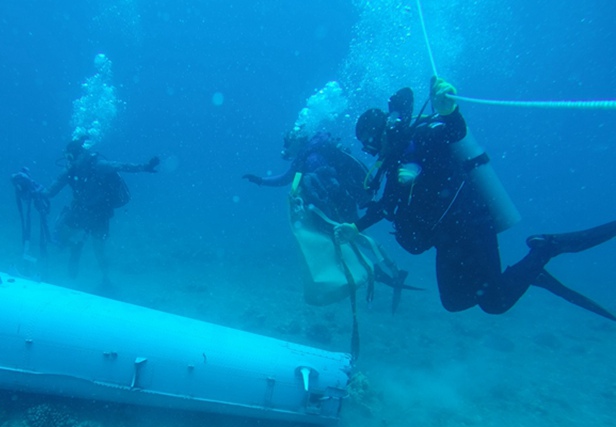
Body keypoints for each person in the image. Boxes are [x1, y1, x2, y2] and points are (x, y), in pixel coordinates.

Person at [342, 77, 616, 320]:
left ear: (376, 135)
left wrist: (450, 112)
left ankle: (544, 249)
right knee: (454, 302)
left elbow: (453, 131)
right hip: (445, 238)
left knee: (494, 303)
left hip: (471, 223)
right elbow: (388, 204)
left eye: (369, 145)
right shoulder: (395, 162)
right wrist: (356, 227)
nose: (371, 152)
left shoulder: (421, 136)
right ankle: (525, 274)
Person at [243, 130, 414, 311]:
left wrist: (325, 206)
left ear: (296, 140)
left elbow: (321, 180)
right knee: (356, 235)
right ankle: (387, 269)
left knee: (354, 236)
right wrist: (260, 180)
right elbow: (288, 178)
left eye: (287, 142)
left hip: (334, 205)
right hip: (338, 202)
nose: (285, 147)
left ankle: (377, 269)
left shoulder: (311, 155)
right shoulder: (309, 154)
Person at [42, 138, 159, 285]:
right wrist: (36, 192)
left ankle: (105, 278)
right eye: (67, 157)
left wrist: (144, 166)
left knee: (99, 250)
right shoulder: (70, 170)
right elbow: (53, 189)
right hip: (83, 211)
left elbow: (121, 166)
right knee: (60, 241)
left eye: (71, 156)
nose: (69, 161)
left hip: (99, 214)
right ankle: (76, 247)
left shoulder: (98, 166)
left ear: (81, 154)